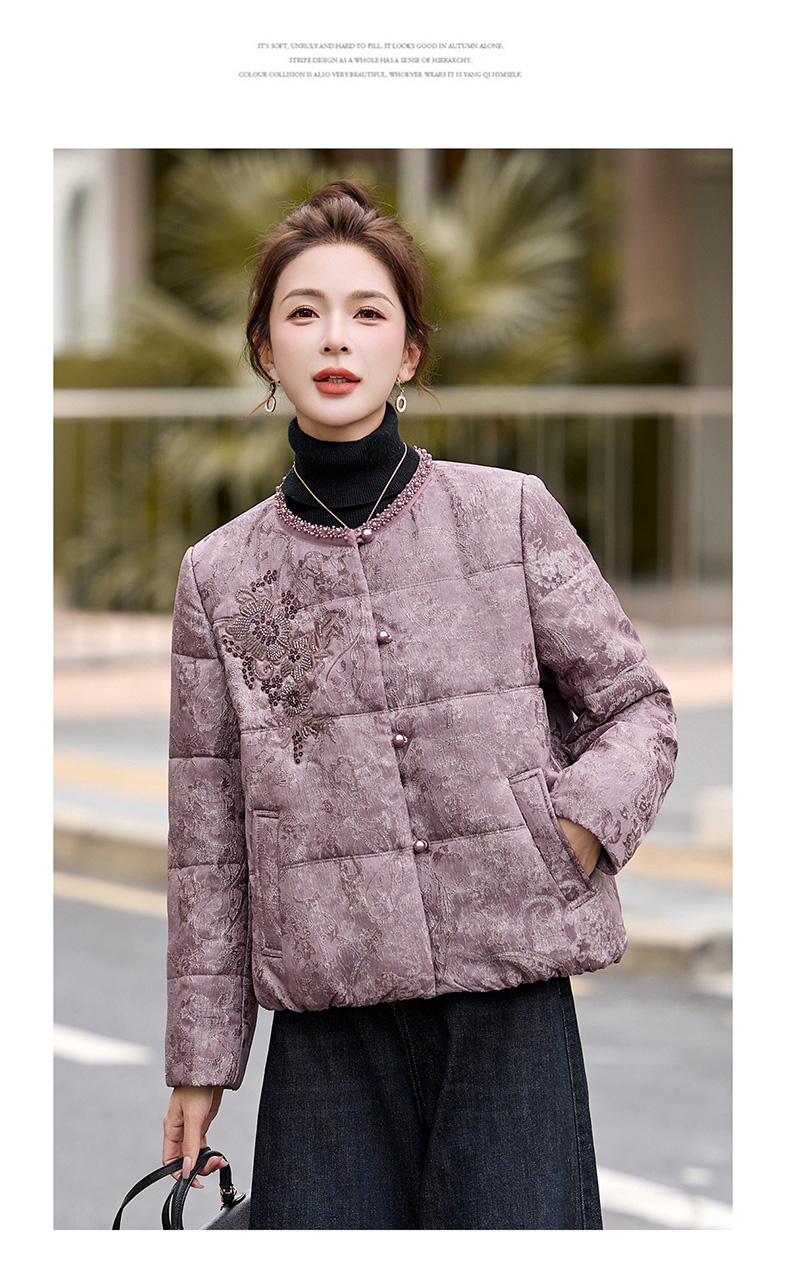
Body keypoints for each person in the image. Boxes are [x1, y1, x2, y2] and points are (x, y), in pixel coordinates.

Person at [161, 179, 678, 1230]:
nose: (334, 338)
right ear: (264, 349)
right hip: (327, 1039)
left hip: (508, 1009)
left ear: (408, 352)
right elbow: (209, 843)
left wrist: (568, 834)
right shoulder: (221, 577)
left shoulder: (509, 515)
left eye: (368, 312)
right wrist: (202, 1062)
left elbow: (636, 708)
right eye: (302, 312)